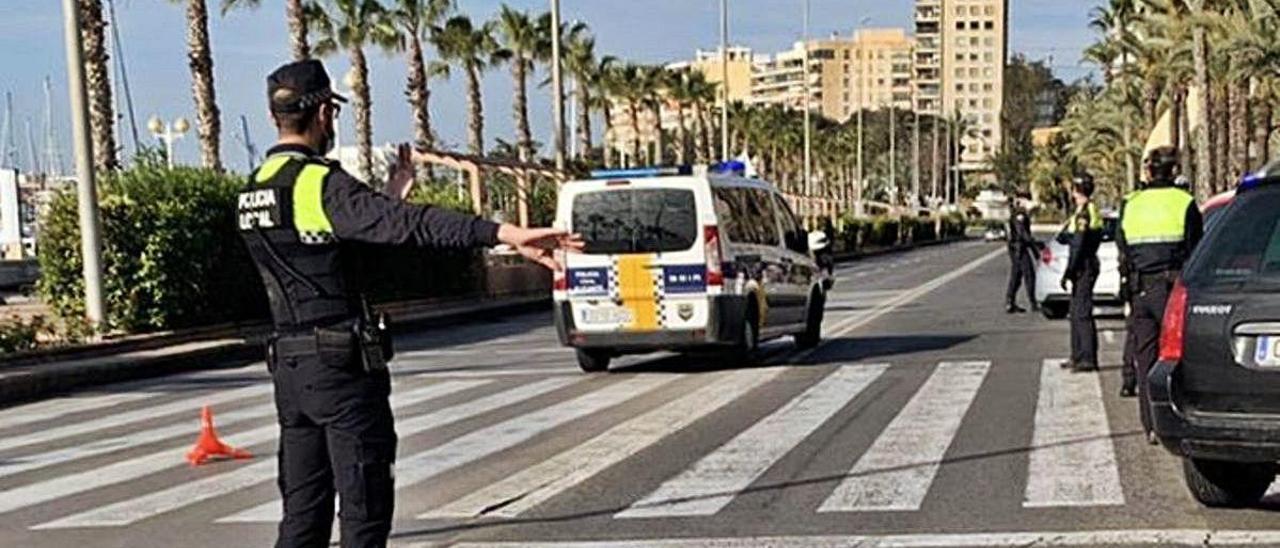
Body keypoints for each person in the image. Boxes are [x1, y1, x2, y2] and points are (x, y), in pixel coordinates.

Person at [236, 59, 582, 548]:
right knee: (364, 513)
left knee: (302, 518)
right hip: (341, 371)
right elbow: (417, 226)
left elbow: (326, 259)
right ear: (322, 116)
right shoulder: (320, 183)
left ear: (276, 117)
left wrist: (389, 200)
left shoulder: (254, 188)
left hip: (291, 372)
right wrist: (505, 233)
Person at [1117, 146, 1203, 442]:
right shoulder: (1185, 202)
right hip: (1173, 288)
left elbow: (1123, 249)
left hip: (1140, 288)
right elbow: (1196, 249)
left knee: (1146, 356)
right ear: (1175, 171)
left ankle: (1151, 425)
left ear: (1149, 171)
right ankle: (1176, 418)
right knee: (1177, 355)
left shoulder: (1131, 203)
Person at [1061, 175, 1103, 372]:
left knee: (1082, 313)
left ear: (1077, 190)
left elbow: (1078, 244)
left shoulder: (1084, 214)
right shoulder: (1084, 211)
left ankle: (1087, 358)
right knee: (1076, 312)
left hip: (1083, 265)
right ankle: (1077, 355)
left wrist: (1069, 271)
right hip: (1084, 264)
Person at [1005, 192, 1039, 313]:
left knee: (1017, 275)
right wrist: (1035, 247)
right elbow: (1023, 233)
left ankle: (1010, 302)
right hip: (1019, 248)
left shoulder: (1017, 212)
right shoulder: (1020, 214)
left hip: (1016, 248)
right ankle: (1033, 302)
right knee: (1029, 275)